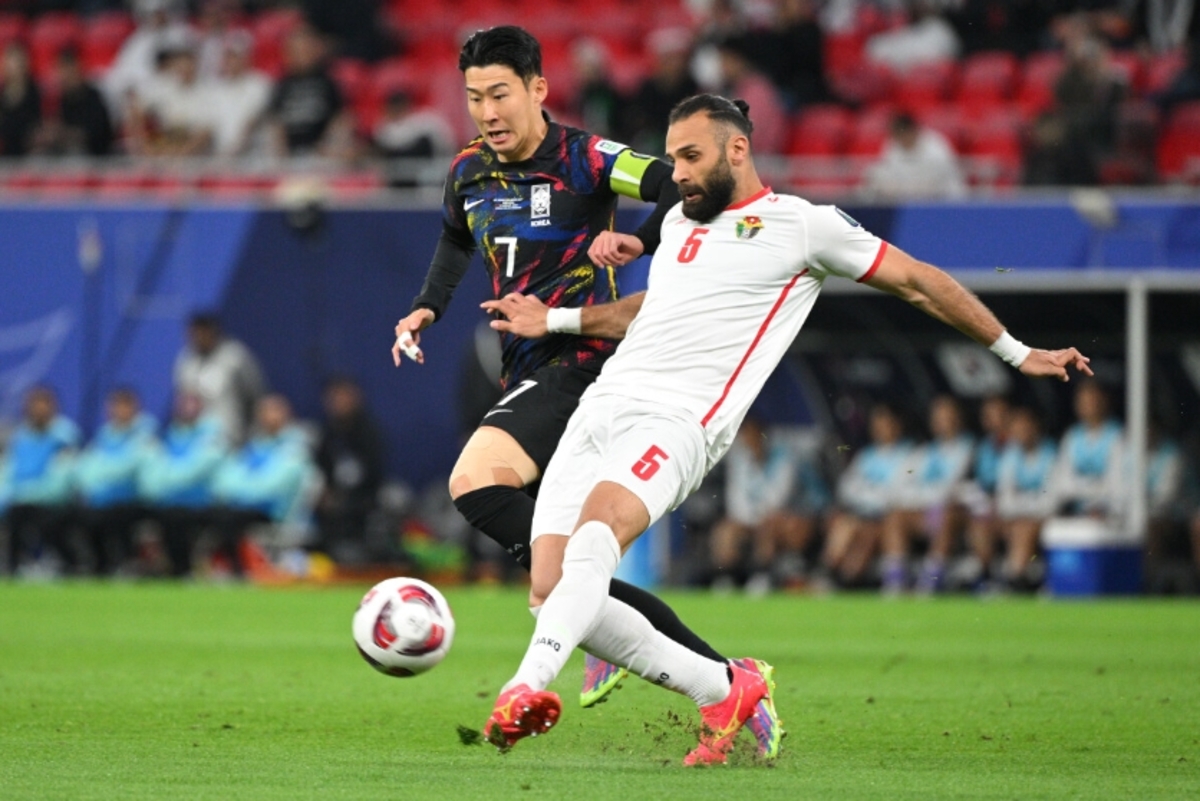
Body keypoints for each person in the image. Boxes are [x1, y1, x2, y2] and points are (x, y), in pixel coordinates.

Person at [480, 93, 1091, 763]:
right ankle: (723, 688)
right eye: (673, 159)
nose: (677, 175)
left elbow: (917, 281)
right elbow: (656, 309)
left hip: (678, 420)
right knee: (550, 589)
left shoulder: (803, 226)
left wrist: (1016, 352)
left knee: (599, 533)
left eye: (691, 157)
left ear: (737, 149)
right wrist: (557, 320)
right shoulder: (680, 222)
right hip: (602, 406)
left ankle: (523, 688)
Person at [388, 26, 782, 756]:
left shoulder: (587, 157)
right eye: (474, 98)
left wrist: (637, 238)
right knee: (558, 585)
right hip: (526, 364)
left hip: (586, 361)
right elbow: (455, 238)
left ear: (537, 89)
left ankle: (674, 655)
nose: (487, 112)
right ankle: (729, 682)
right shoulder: (468, 170)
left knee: (476, 479)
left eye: (500, 93)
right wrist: (426, 308)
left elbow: (672, 184)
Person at [709, 415, 818, 593]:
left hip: (783, 517)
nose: (750, 440)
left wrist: (756, 518)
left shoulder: (783, 457)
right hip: (752, 518)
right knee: (725, 530)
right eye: (746, 436)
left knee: (768, 526)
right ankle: (726, 577)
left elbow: (779, 497)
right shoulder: (740, 461)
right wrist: (748, 519)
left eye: (754, 435)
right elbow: (735, 501)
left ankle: (762, 575)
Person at [209, 394, 315, 576]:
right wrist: (249, 487)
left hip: (276, 513)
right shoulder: (254, 446)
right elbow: (223, 481)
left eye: (274, 410)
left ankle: (238, 569)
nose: (269, 416)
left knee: (229, 518)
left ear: (286, 414)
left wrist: (243, 488)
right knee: (212, 513)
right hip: (245, 508)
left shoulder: (294, 448)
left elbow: (273, 486)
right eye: (265, 411)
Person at [879, 395, 975, 594]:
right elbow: (901, 485)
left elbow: (949, 488)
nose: (943, 422)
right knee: (895, 516)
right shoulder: (924, 452)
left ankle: (931, 579)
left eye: (947, 416)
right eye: (938, 417)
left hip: (957, 513)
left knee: (947, 513)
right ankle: (896, 579)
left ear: (958, 419)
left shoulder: (967, 448)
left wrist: (918, 497)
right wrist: (918, 499)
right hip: (926, 511)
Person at [819, 402, 912, 589]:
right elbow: (846, 488)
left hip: (886, 517)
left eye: (884, 422)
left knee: (865, 532)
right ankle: (827, 574)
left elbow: (895, 493)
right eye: (876, 423)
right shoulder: (866, 455)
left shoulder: (909, 453)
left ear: (896, 424)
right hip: (861, 515)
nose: (879, 428)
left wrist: (866, 492)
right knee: (842, 523)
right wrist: (870, 494)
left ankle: (845, 580)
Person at [139, 392, 226, 577]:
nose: (187, 409)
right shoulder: (168, 436)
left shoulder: (212, 436)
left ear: (201, 408)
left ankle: (186, 567)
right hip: (168, 502)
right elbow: (153, 471)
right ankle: (172, 567)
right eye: (183, 404)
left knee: (179, 518)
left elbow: (196, 470)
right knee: (164, 515)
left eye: (192, 404)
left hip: (201, 503)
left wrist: (168, 479)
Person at [73, 387, 157, 576]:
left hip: (134, 498)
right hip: (103, 500)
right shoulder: (104, 435)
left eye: (124, 406)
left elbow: (129, 466)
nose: (119, 411)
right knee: (84, 515)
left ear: (135, 408)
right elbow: (85, 468)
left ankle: (128, 562)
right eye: (115, 406)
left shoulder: (145, 435)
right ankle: (99, 565)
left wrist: (102, 471)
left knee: (118, 517)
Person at [2, 386, 79, 574]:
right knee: (15, 513)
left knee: (32, 514)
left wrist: (27, 494)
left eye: (43, 405)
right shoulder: (19, 438)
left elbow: (61, 480)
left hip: (53, 502)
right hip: (19, 501)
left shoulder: (64, 437)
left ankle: (58, 561)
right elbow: (7, 473)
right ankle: (14, 567)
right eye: (34, 405)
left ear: (53, 407)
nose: (38, 410)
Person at [314, 376, 384, 560]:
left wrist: (351, 498)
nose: (339, 403)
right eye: (334, 398)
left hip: (365, 499)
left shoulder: (369, 433)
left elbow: (375, 473)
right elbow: (321, 468)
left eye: (343, 396)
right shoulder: (328, 434)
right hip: (335, 501)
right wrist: (327, 493)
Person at [174, 311, 267, 447]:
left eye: (203, 333)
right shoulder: (186, 360)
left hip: (230, 436)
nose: (199, 338)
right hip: (195, 439)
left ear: (214, 332)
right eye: (195, 334)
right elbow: (182, 400)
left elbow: (255, 394)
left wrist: (252, 432)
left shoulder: (235, 357)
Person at [991, 406, 1057, 592]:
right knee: (986, 524)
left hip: (1047, 517)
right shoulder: (1010, 456)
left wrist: (1023, 510)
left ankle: (1014, 579)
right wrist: (1021, 511)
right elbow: (1005, 500)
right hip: (1017, 517)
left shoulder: (1050, 454)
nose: (1022, 432)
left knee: (1024, 528)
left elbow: (1050, 500)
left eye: (1026, 426)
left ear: (1036, 427)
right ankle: (992, 576)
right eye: (1017, 427)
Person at [266, 25, 354, 159]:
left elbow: (341, 118)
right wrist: (280, 153)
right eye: (294, 51)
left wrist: (329, 145)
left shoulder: (327, 82)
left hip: (320, 152)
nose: (299, 55)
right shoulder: (282, 85)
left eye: (304, 50)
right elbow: (275, 121)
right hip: (289, 153)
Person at [1051, 381, 1125, 518]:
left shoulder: (1118, 435)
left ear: (1104, 401)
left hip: (1108, 512)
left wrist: (1081, 490)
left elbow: (1117, 484)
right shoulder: (1072, 436)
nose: (1087, 406)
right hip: (1076, 511)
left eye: (1092, 400)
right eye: (1082, 401)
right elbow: (1063, 482)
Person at [863, 112, 967, 200]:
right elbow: (886, 173)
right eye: (896, 136)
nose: (899, 140)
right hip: (905, 200)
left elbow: (942, 180)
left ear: (912, 131)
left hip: (942, 199)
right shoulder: (892, 145)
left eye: (901, 135)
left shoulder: (936, 147)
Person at [34, 48, 115, 157]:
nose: (65, 76)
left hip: (93, 158)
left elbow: (97, 135)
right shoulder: (58, 101)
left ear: (78, 68)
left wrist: (63, 133)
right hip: (61, 156)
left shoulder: (93, 98)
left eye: (68, 69)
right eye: (61, 70)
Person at [208, 31, 273, 158]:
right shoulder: (215, 89)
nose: (230, 61)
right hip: (221, 156)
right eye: (227, 57)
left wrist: (232, 152)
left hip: (254, 157)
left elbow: (252, 121)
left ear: (246, 57)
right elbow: (209, 126)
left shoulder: (260, 83)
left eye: (235, 57)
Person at [0, 42, 41, 157]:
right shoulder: (2, 94)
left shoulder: (35, 93)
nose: (15, 67)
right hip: (5, 153)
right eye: (12, 62)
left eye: (19, 62)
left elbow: (38, 126)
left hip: (30, 153)